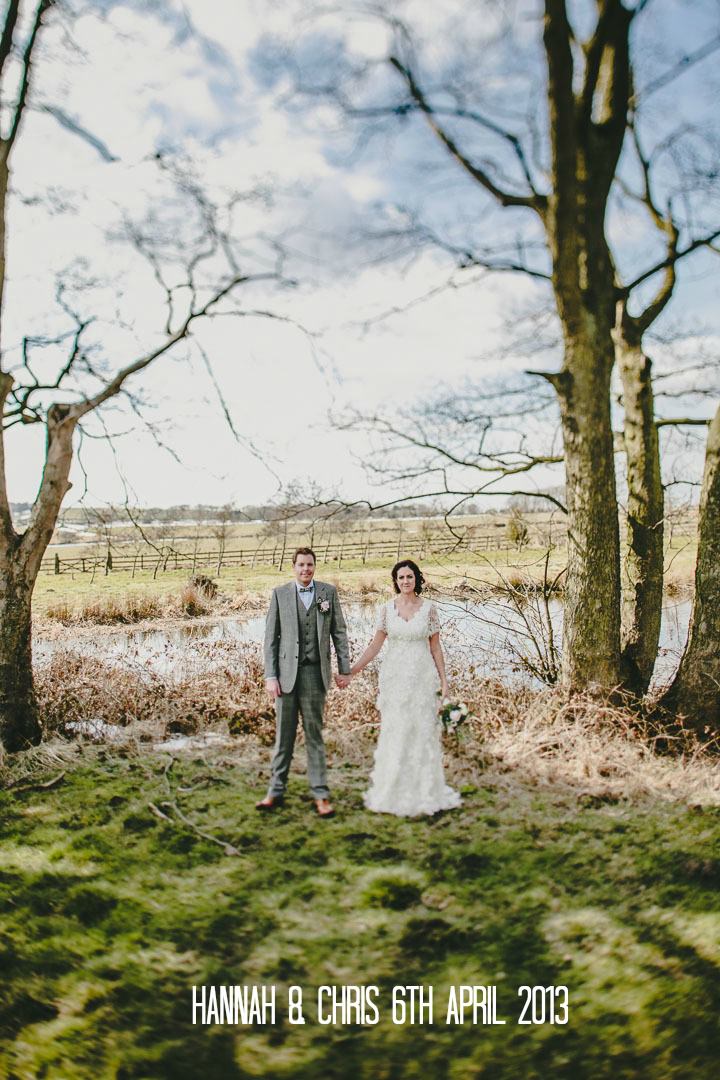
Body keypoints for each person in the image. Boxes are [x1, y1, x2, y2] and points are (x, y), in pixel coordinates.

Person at [341, 559, 461, 817]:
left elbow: (435, 647)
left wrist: (444, 681)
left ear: (417, 578)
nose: (405, 581)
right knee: (396, 730)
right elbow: (374, 646)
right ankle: (392, 789)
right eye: (400, 578)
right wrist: (352, 669)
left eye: (409, 576)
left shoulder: (429, 609)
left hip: (421, 677)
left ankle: (424, 790)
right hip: (394, 678)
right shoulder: (385, 609)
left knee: (421, 730)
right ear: (395, 582)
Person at [258, 547, 350, 818]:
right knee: (283, 736)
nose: (305, 569)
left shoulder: (328, 593)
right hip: (285, 678)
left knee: (314, 735)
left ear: (315, 566)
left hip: (314, 675)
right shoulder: (280, 594)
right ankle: (275, 791)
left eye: (310, 565)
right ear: (293, 567)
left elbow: (340, 633)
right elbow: (270, 640)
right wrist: (270, 676)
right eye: (301, 565)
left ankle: (320, 794)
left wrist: (344, 670)